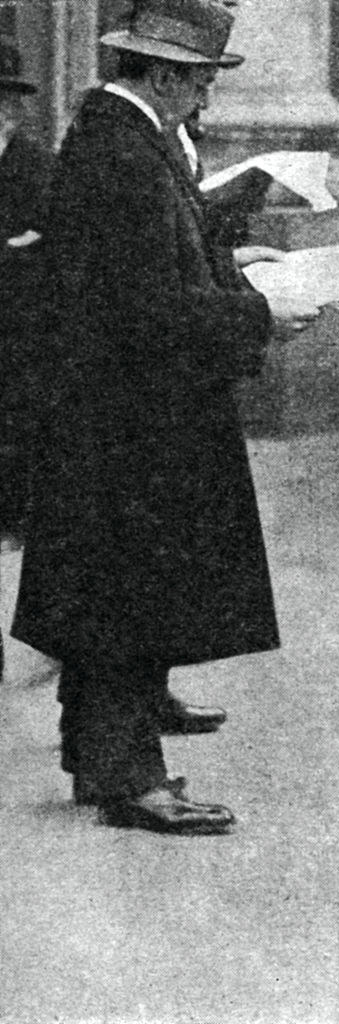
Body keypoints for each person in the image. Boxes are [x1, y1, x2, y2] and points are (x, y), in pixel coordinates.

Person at [11, 0, 315, 834]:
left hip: (117, 414)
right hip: (129, 418)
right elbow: (145, 305)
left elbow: (153, 260)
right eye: (203, 82)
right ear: (166, 74)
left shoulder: (120, 138)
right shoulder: (122, 149)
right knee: (126, 595)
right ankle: (129, 778)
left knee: (113, 592)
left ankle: (103, 758)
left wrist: (226, 261)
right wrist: (258, 314)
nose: (209, 99)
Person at [0, 44, 55, 681]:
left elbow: (50, 256)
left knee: (32, 508)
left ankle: (49, 639)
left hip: (23, 362)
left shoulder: (38, 168)